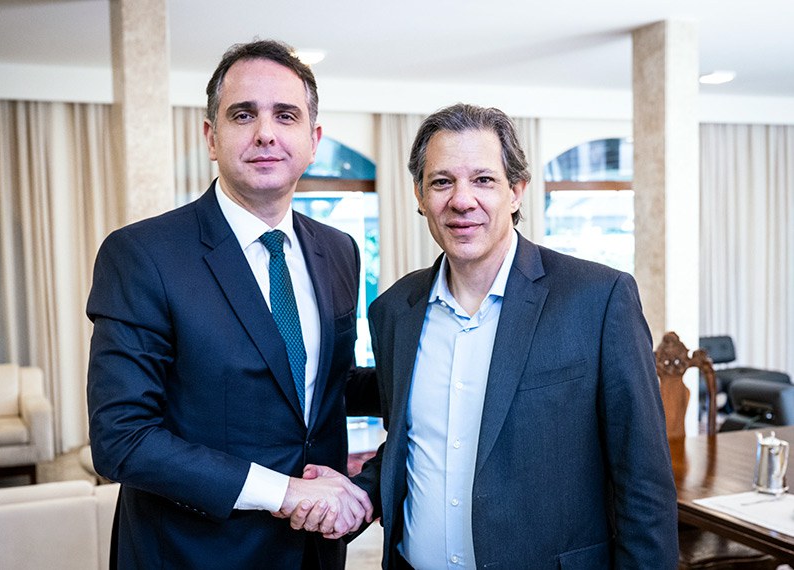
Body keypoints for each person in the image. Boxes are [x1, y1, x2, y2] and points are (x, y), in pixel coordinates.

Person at [292, 103, 678, 568]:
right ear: (419, 195)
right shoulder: (394, 310)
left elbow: (645, 486)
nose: (461, 200)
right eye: (441, 181)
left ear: (516, 191)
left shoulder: (598, 299)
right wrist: (361, 491)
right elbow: (411, 445)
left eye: (483, 180)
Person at [86, 39, 377, 569]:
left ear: (313, 140)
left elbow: (319, 384)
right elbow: (121, 438)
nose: (266, 131)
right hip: (192, 552)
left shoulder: (339, 250)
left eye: (285, 115)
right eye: (243, 114)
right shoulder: (142, 254)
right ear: (211, 138)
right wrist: (285, 493)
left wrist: (428, 377)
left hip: (314, 552)